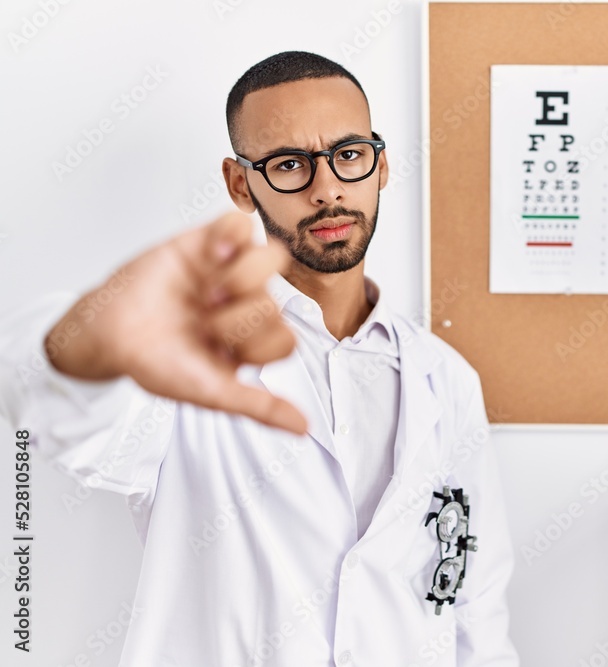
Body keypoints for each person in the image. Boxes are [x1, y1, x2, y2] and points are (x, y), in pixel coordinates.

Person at [0, 51, 519, 666]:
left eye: (349, 155)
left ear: (380, 165)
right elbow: (57, 416)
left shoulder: (444, 378)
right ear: (241, 184)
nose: (327, 189)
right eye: (289, 164)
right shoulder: (189, 357)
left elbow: (475, 601)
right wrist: (87, 342)